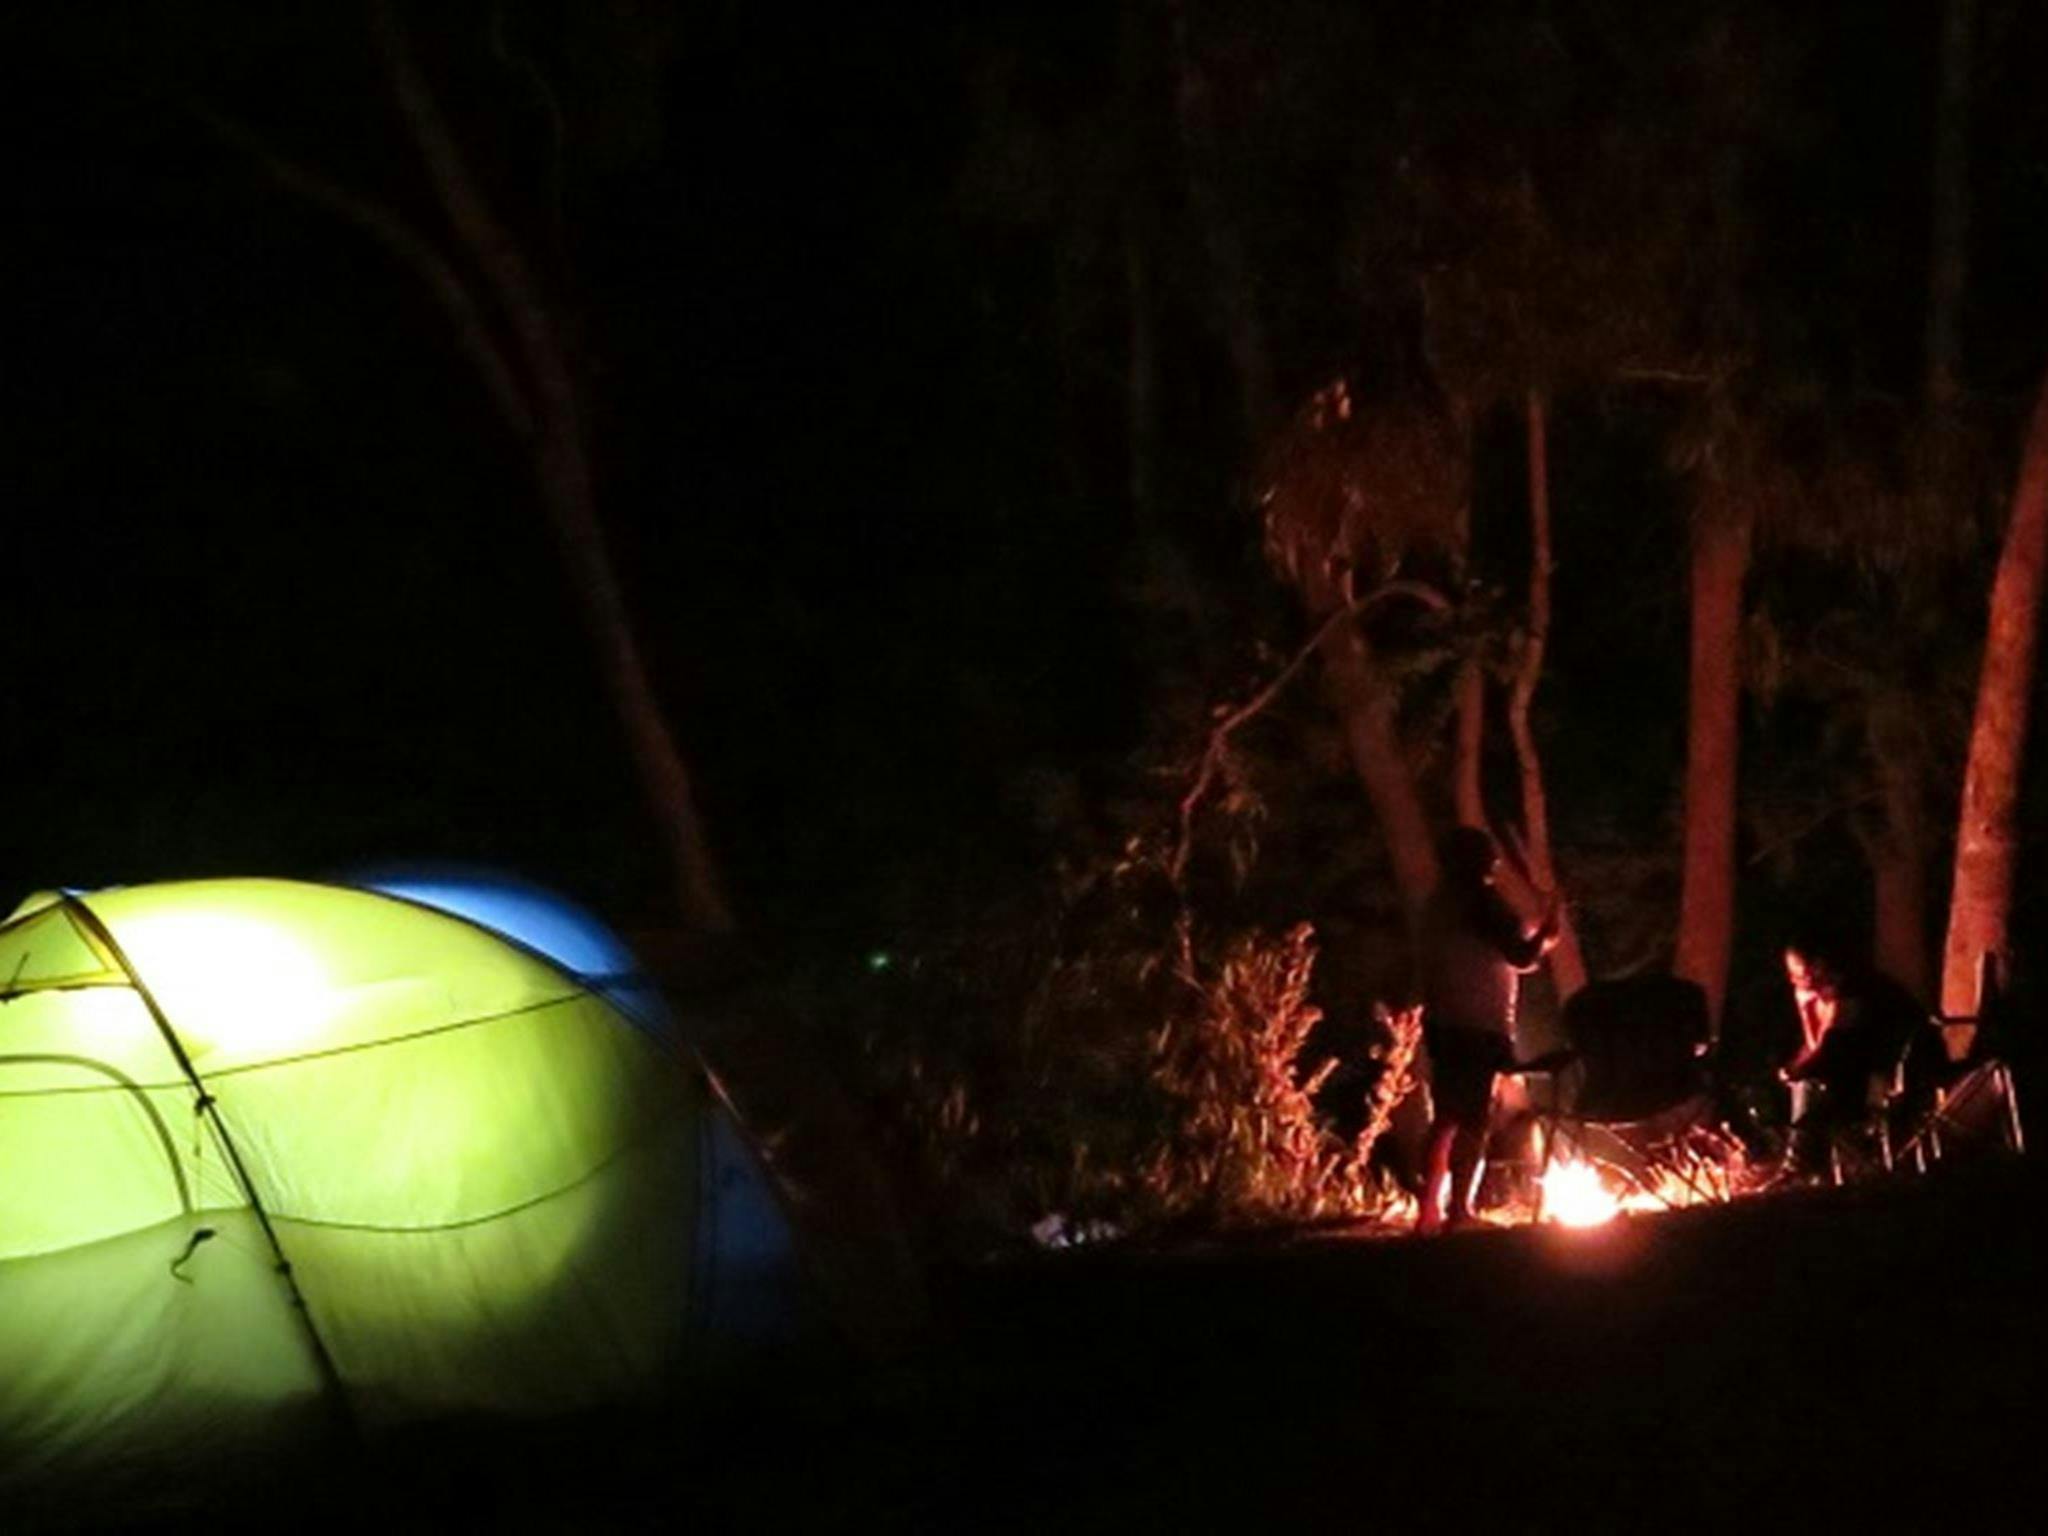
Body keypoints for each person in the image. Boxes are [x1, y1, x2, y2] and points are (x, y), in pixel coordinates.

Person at [1415, 825, 1560, 1234]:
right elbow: (1520, 956)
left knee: (1446, 1116)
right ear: (1477, 861)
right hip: (1479, 1024)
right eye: (1489, 856)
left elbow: (1483, 947)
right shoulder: (1480, 900)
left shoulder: (1439, 903)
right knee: (1474, 1118)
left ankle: (1429, 1209)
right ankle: (1458, 1210)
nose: (1495, 863)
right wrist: (1547, 936)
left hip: (1444, 1020)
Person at [1778, 934, 1942, 1178]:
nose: (1797, 981)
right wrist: (1805, 1012)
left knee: (1812, 1085)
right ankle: (1803, 1162)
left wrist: (1803, 1069)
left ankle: (1799, 1164)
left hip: (1894, 1070)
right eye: (1792, 976)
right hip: (1860, 1066)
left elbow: (1834, 1047)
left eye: (1802, 974)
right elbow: (1815, 1046)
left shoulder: (1850, 991)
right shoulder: (1817, 994)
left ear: (1820, 966)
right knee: (1804, 1083)